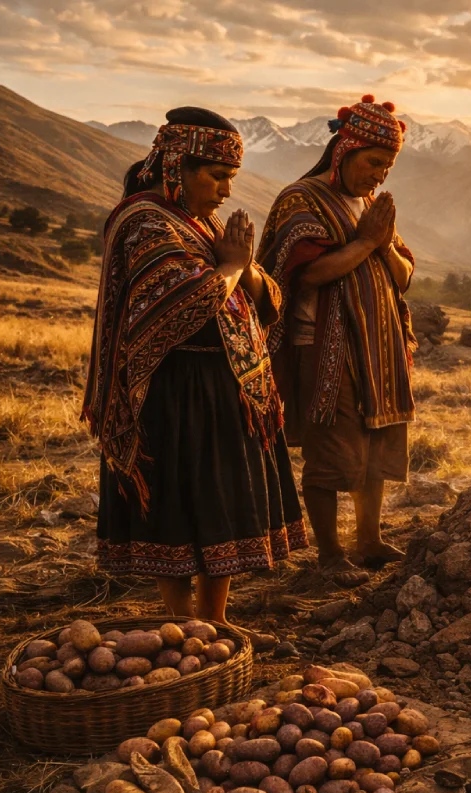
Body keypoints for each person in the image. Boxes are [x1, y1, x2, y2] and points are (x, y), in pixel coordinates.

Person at [83, 107, 307, 623]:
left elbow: (266, 296)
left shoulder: (199, 221)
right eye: (218, 175)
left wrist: (244, 267)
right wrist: (231, 266)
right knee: (178, 506)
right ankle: (183, 623)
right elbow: (187, 303)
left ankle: (215, 619)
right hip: (172, 388)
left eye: (232, 177)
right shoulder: (143, 221)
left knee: (220, 501)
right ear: (176, 166)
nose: (226, 191)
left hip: (226, 386)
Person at [256, 95, 417, 586]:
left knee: (376, 443)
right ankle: (329, 554)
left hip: (379, 347)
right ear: (344, 150)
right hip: (327, 348)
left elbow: (404, 277)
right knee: (332, 451)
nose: (379, 176)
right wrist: (366, 242)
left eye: (387, 167)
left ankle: (368, 541)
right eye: (373, 163)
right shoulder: (301, 199)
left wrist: (383, 245)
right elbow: (304, 274)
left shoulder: (371, 205)